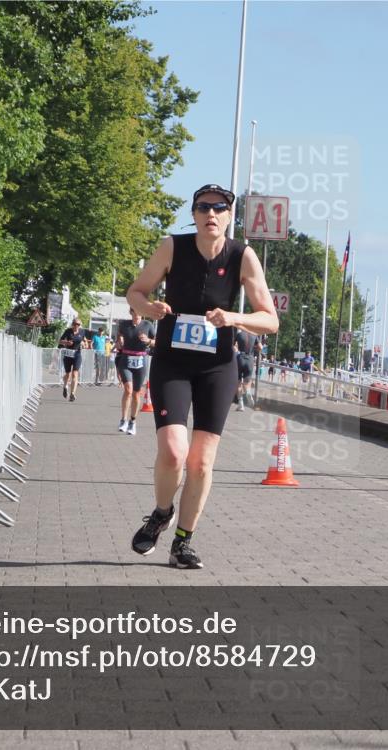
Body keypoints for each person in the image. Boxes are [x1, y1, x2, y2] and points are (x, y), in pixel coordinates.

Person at [126, 183, 277, 569]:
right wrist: (151, 307)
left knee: (201, 463)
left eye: (219, 208)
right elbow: (135, 293)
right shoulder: (171, 247)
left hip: (217, 366)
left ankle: (183, 542)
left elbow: (270, 320)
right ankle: (161, 512)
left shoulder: (242, 255)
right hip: (172, 361)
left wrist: (234, 317)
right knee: (174, 451)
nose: (211, 214)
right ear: (193, 214)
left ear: (229, 216)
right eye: (203, 207)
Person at [115, 308, 155, 435]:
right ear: (131, 313)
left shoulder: (148, 325)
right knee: (128, 389)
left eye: (139, 312)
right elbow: (119, 337)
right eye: (135, 312)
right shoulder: (124, 325)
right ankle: (123, 420)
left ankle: (133, 421)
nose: (137, 315)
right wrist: (119, 341)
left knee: (137, 394)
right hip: (126, 359)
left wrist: (149, 341)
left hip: (141, 360)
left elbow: (157, 341)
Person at [57, 318, 97, 402]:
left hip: (77, 354)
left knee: (75, 374)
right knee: (68, 375)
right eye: (75, 324)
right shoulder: (68, 331)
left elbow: (84, 340)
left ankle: (72, 394)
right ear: (72, 324)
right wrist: (66, 343)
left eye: (78, 324)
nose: (76, 326)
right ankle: (65, 386)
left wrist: (86, 344)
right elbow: (60, 341)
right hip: (68, 354)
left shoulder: (82, 331)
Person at [234, 329, 258, 411]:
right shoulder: (254, 335)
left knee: (238, 382)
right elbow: (261, 347)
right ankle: (248, 392)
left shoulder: (239, 334)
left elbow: (233, 346)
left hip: (240, 358)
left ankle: (241, 404)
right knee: (247, 382)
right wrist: (253, 348)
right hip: (250, 359)